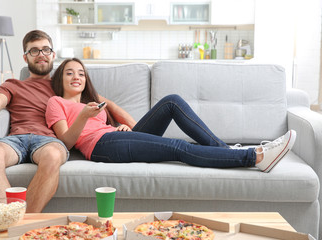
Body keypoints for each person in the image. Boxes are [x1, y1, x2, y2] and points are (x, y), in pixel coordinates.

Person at [0, 30, 130, 213]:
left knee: (52, 156)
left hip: (48, 140)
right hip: (16, 139)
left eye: (45, 50)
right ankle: (8, 220)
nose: (41, 54)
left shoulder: (66, 83)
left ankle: (21, 224)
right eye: (34, 51)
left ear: (52, 54)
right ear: (25, 57)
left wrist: (132, 129)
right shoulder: (13, 85)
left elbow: (104, 106)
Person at [45, 58, 297, 173]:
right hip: (102, 146)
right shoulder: (56, 102)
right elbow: (66, 142)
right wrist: (85, 117)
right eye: (69, 73)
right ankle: (253, 156)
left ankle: (226, 150)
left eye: (80, 72)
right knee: (178, 147)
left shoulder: (94, 103)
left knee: (172, 102)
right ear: (60, 79)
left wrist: (123, 125)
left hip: (117, 138)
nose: (76, 76)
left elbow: (122, 120)